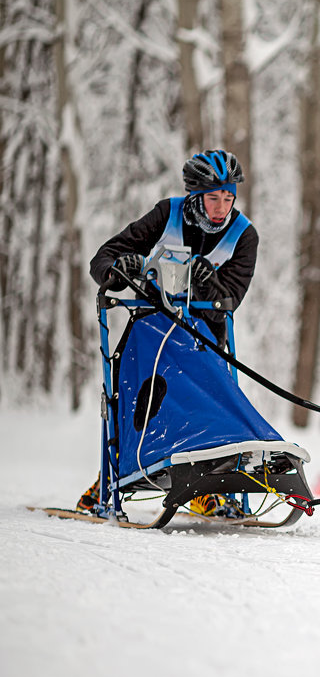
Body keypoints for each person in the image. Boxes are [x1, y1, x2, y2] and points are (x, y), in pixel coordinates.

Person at [77, 149, 258, 517]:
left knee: (204, 395)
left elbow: (230, 300)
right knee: (140, 401)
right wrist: (119, 268)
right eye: (213, 197)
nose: (222, 207)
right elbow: (104, 258)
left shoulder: (244, 236)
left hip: (203, 339)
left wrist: (209, 286)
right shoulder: (167, 214)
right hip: (150, 334)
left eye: (228, 197)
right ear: (195, 195)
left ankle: (207, 477)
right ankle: (113, 474)